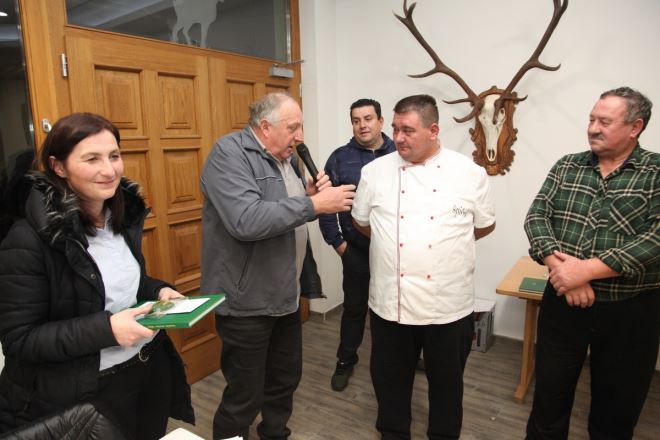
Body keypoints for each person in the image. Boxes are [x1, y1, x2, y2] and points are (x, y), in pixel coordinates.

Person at [0, 113, 194, 439]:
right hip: (86, 394)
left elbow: (116, 286)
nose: (109, 170)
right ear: (59, 167)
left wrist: (158, 290)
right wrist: (108, 330)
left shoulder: (120, 219)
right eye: (92, 159)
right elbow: (21, 339)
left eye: (114, 156)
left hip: (146, 373)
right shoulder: (27, 240)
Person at [200, 92, 355, 440]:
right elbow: (246, 220)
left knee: (284, 381)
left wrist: (307, 195)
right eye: (293, 127)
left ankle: (274, 434)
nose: (300, 136)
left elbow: (282, 213)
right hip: (246, 301)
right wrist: (314, 205)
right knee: (244, 396)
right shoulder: (228, 154)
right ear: (265, 126)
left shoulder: (286, 159)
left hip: (285, 294)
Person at [351, 94, 495, 439]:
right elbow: (362, 222)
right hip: (391, 302)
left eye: (408, 130)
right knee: (389, 381)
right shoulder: (374, 172)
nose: (398, 138)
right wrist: (396, 245)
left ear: (433, 130)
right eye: (395, 129)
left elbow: (483, 225)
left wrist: (444, 246)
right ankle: (393, 433)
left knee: (447, 384)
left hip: (448, 305)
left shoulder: (469, 173)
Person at [524, 87, 659, 440]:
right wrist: (563, 271)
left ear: (635, 127)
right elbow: (536, 217)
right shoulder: (567, 165)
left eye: (605, 122)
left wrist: (585, 270)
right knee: (548, 401)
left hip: (630, 311)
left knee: (616, 411)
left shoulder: (656, 172)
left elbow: (655, 239)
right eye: (591, 119)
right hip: (562, 303)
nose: (593, 128)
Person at [319, 98, 396, 392]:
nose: (362, 125)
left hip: (394, 252)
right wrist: (340, 246)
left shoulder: (398, 153)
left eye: (368, 118)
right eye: (356, 120)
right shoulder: (340, 158)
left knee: (395, 309)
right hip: (356, 251)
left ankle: (404, 356)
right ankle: (345, 360)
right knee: (354, 309)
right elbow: (326, 206)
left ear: (380, 121)